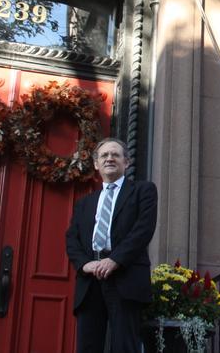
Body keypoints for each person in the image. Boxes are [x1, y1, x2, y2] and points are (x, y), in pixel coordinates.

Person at [65, 137, 158, 353]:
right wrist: (84, 264)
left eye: (115, 155)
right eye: (104, 155)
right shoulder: (84, 203)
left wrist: (115, 260)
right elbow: (72, 239)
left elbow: (143, 230)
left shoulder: (143, 191)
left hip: (125, 277)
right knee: (88, 346)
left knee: (124, 345)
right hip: (90, 281)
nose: (109, 159)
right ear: (96, 164)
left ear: (127, 162)